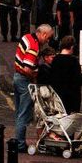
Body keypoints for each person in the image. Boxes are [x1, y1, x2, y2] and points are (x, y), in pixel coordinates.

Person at [13, 24, 54, 152]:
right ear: (43, 34)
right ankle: (20, 145)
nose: (48, 41)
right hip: (24, 80)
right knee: (24, 113)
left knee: (19, 111)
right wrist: (34, 78)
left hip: (16, 77)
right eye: (48, 38)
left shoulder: (26, 37)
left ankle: (18, 141)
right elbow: (27, 68)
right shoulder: (34, 46)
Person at [50, 36, 82, 113]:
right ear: (72, 47)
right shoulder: (73, 61)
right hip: (72, 98)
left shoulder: (55, 60)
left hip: (57, 97)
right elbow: (78, 80)